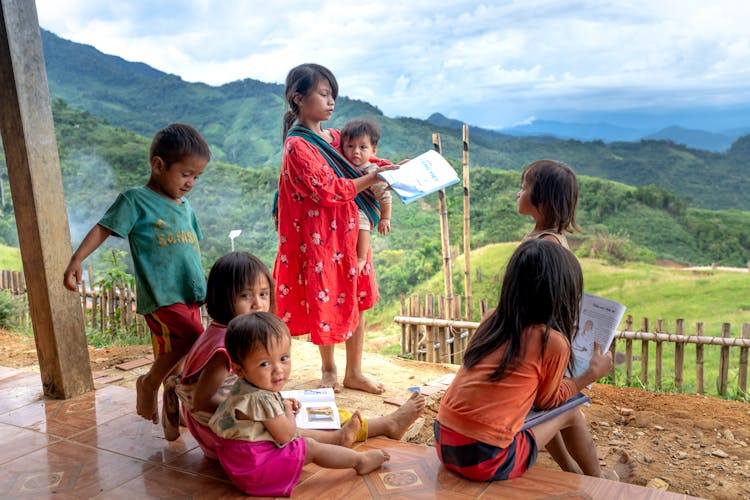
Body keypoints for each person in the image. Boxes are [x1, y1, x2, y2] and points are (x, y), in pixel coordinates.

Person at [173, 251, 425, 452]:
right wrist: (256, 408)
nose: (257, 303)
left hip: (229, 421)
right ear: (222, 297)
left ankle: (368, 426)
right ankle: (379, 427)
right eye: (245, 296)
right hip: (227, 436)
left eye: (263, 294)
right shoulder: (224, 347)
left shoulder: (222, 332)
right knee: (298, 424)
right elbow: (202, 400)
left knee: (305, 411)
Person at [434, 239, 634, 482]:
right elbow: (549, 401)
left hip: (444, 442)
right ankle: (602, 481)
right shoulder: (552, 342)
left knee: (535, 409)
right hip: (485, 458)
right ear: (563, 296)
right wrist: (589, 375)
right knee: (569, 412)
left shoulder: (491, 320)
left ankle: (574, 472)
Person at [63, 123, 210, 425]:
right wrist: (78, 259)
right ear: (158, 165)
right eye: (185, 174)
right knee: (195, 337)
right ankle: (148, 383)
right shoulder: (135, 200)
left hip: (190, 295)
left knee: (183, 361)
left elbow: (191, 250)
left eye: (197, 176)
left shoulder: (186, 207)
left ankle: (175, 413)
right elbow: (104, 227)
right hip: (161, 296)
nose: (191, 182)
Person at [273, 63, 398, 394]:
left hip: (349, 234)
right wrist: (374, 178)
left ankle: (354, 371)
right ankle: (329, 369)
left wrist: (395, 168)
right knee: (323, 298)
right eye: (324, 94)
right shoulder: (298, 146)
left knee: (353, 298)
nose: (332, 102)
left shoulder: (335, 137)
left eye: (333, 95)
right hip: (319, 239)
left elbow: (361, 161)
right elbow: (328, 190)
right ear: (298, 98)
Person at [209, 312, 391, 497]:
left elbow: (261, 418)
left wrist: (282, 405)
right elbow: (287, 435)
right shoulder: (260, 398)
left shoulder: (243, 386)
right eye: (265, 364)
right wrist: (288, 411)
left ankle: (340, 439)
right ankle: (360, 461)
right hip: (254, 470)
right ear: (239, 369)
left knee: (299, 435)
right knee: (309, 446)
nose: (279, 370)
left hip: (238, 462)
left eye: (283, 358)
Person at [341, 118, 393, 273]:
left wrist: (385, 218)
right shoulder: (341, 164)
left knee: (362, 226)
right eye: (350, 146)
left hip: (362, 211)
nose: (356, 151)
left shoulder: (372, 171)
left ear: (373, 150)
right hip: (346, 209)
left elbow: (385, 196)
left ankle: (361, 257)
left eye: (363, 147)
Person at [516, 158, 581, 249]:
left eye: (523, 188)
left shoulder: (547, 243)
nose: (518, 194)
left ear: (541, 196)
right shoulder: (545, 236)